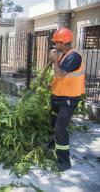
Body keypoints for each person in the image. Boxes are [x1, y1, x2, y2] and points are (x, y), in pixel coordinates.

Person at [49, 27, 85, 172]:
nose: (55, 46)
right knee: (54, 124)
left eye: (56, 43)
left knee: (60, 128)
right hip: (57, 97)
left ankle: (64, 161)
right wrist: (50, 85)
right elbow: (61, 79)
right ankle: (55, 144)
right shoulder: (64, 54)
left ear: (62, 43)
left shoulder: (74, 56)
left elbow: (60, 74)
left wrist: (54, 61)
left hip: (68, 99)